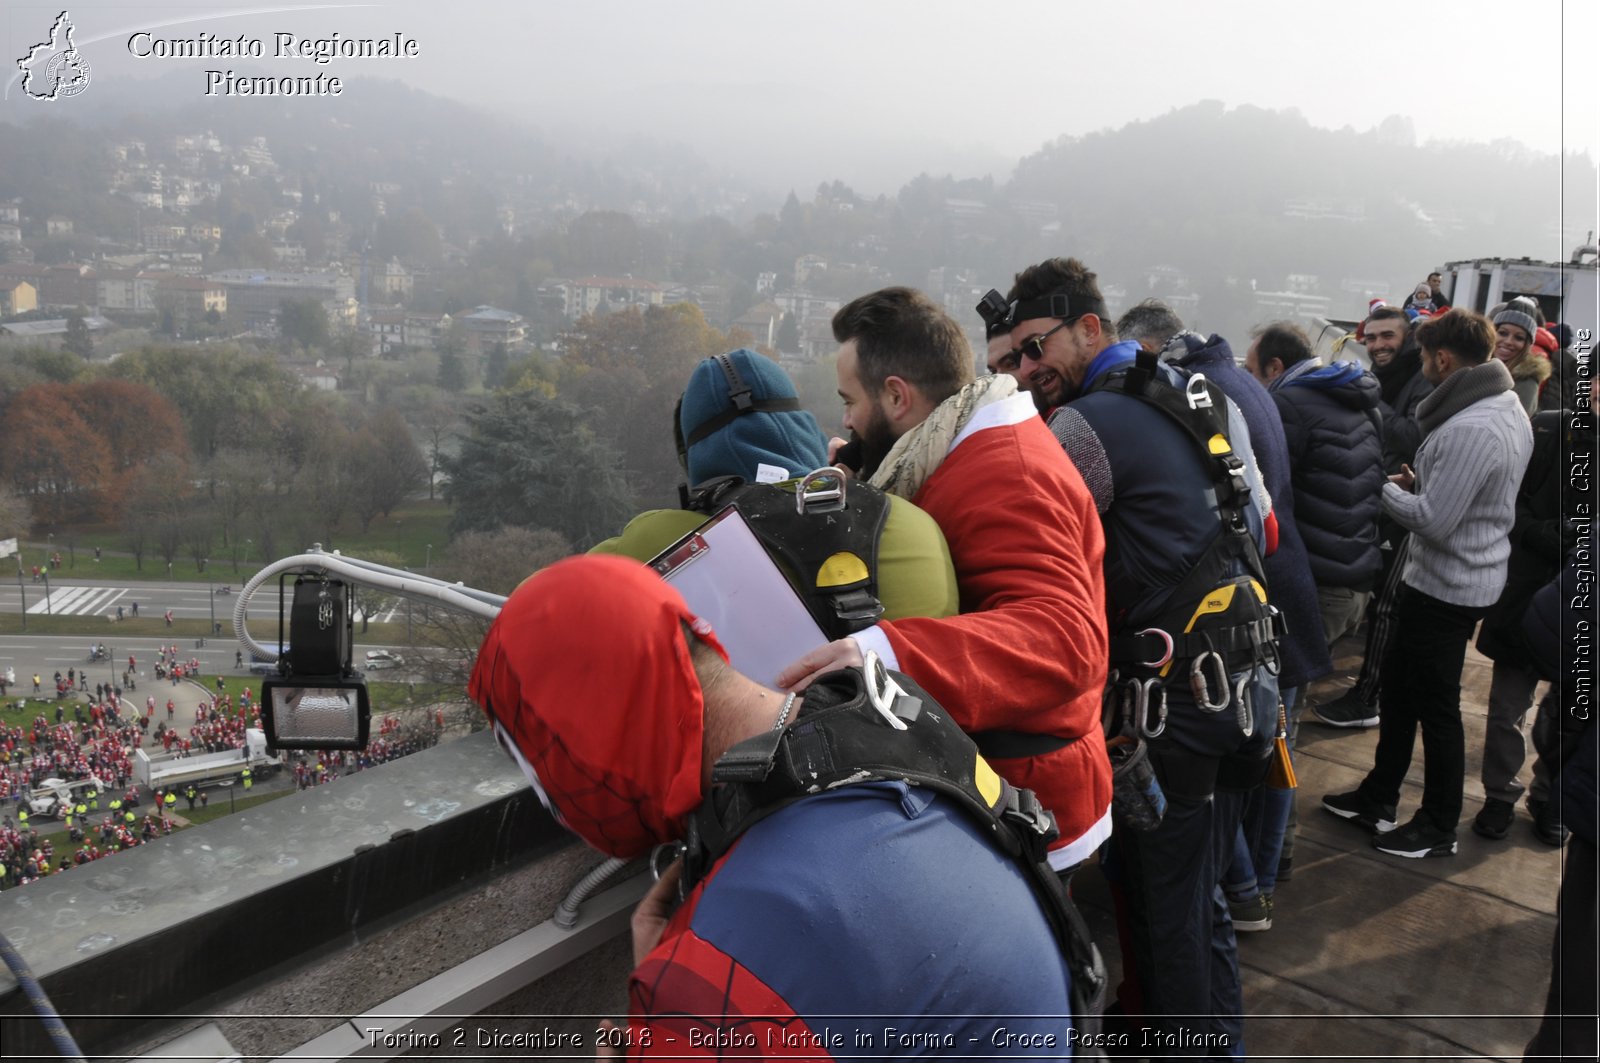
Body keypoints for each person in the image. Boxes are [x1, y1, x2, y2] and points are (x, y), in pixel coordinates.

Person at [470, 554, 1086, 1053]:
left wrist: (665, 1014)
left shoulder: (720, 971)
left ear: (597, 732)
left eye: (538, 758)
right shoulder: (881, 724)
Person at [1008, 257, 1276, 1053]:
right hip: (1243, 680)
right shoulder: (1205, 394)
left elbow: (1037, 558)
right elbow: (1262, 527)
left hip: (1170, 704)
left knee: (1163, 913)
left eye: (1035, 347)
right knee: (1200, 900)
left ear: (1091, 328)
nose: (1027, 369)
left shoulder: (1082, 426)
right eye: (1016, 355)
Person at [775, 287, 1113, 874]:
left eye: (850, 401)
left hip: (1033, 807)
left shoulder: (1009, 471)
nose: (847, 420)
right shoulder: (959, 451)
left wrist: (880, 654)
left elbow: (1066, 637)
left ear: (897, 395)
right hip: (1009, 789)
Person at [1323, 309, 1532, 858]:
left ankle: (1438, 825)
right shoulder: (1503, 405)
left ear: (1443, 358)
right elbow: (1467, 499)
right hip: (1454, 577)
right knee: (1399, 691)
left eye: (1422, 354)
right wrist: (1423, 484)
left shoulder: (1471, 427)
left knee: (1435, 709)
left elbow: (1435, 522)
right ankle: (1378, 796)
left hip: (1447, 588)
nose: (1421, 364)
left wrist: (1379, 487)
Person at [593, 348, 960, 630]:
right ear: (802, 427)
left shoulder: (653, 544)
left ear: (695, 458)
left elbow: (539, 609)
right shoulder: (916, 524)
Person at [1246, 322, 1386, 648]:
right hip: (1355, 581)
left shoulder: (1287, 406)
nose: (1249, 383)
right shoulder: (1355, 397)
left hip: (1317, 586)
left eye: (1251, 372)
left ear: (1275, 367)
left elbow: (1270, 495)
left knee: (1284, 691)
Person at [1490, 298, 1551, 417]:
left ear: (1528, 345)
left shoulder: (1527, 384)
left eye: (1519, 338)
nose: (1508, 341)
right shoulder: (1474, 365)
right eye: (1503, 333)